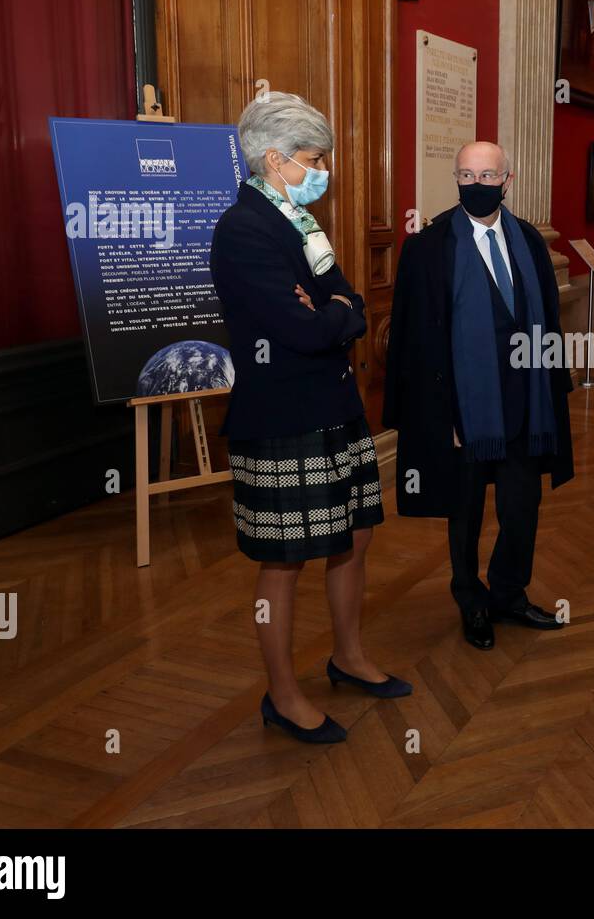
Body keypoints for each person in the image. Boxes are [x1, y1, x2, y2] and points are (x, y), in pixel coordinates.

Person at [210, 92, 409, 747]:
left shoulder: (299, 222)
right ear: (274, 158)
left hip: (334, 407)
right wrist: (333, 313)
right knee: (285, 558)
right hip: (282, 417)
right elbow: (303, 326)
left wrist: (336, 310)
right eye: (314, 158)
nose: (323, 169)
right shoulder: (244, 229)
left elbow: (347, 302)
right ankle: (282, 693)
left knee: (355, 535)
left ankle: (348, 656)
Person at [383, 141, 574, 651]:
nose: (476, 185)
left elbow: (549, 325)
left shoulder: (530, 242)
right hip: (462, 411)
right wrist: (432, 413)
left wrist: (553, 398)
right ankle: (470, 599)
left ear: (506, 181)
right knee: (463, 512)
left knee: (522, 508)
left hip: (524, 408)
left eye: (487, 176)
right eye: (466, 175)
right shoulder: (429, 247)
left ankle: (509, 593)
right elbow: (412, 339)